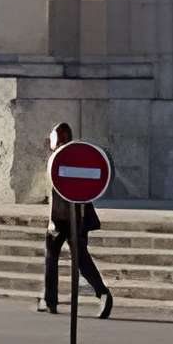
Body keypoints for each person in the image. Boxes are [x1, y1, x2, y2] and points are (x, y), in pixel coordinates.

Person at [39, 122, 113, 318]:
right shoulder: (76, 156)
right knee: (81, 260)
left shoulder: (59, 159)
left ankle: (50, 300)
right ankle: (102, 293)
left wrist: (53, 223)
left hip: (61, 219)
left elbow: (57, 194)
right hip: (78, 217)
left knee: (52, 257)